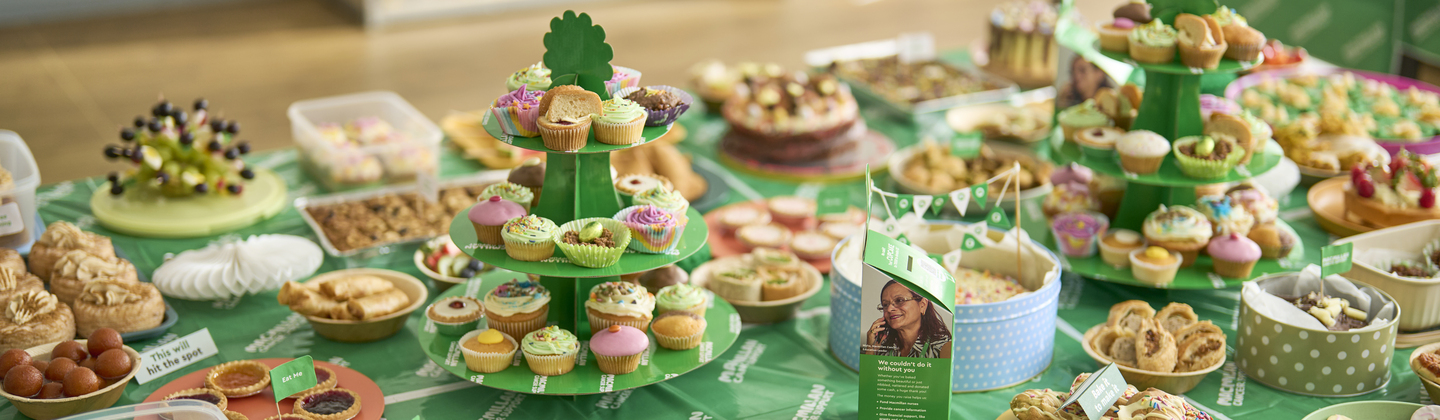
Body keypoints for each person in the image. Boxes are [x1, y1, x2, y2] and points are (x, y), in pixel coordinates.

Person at [863, 280, 952, 358]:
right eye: (885, 305)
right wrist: (870, 348)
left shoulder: (943, 347)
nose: (889, 309)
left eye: (899, 300)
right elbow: (868, 376)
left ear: (922, 305)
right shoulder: (883, 346)